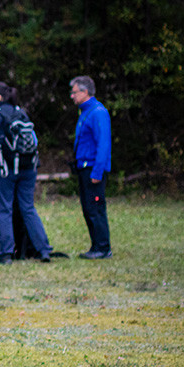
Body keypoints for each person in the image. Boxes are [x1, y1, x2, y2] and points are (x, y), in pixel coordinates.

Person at [0, 82, 53, 263]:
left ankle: (5, 253)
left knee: (4, 209)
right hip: (29, 169)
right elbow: (35, 140)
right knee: (28, 208)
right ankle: (44, 249)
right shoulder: (21, 112)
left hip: (6, 171)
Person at [70, 75, 112, 259]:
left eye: (74, 92)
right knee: (88, 208)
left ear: (85, 92)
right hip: (83, 167)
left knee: (95, 208)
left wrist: (98, 171)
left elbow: (103, 144)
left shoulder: (98, 112)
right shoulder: (85, 111)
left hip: (93, 168)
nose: (72, 96)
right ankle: (96, 246)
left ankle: (103, 248)